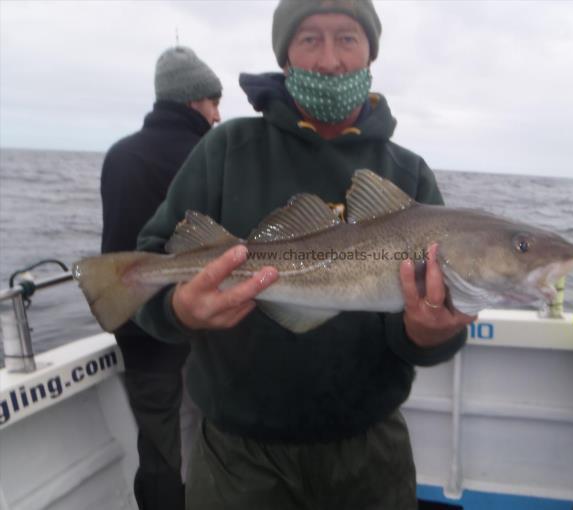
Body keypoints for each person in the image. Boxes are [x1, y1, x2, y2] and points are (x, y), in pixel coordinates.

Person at [136, 2, 474, 509]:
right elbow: (145, 273)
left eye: (347, 38)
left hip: (369, 453)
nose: (330, 60)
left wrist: (428, 335)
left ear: (370, 54)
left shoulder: (408, 174)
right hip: (238, 459)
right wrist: (179, 309)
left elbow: (427, 335)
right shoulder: (226, 149)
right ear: (286, 58)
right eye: (310, 40)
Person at [101, 45, 222, 509]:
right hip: (187, 321)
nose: (217, 114)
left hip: (132, 324)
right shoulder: (205, 154)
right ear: (192, 100)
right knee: (202, 440)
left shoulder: (120, 155)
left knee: (158, 445)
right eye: (213, 101)